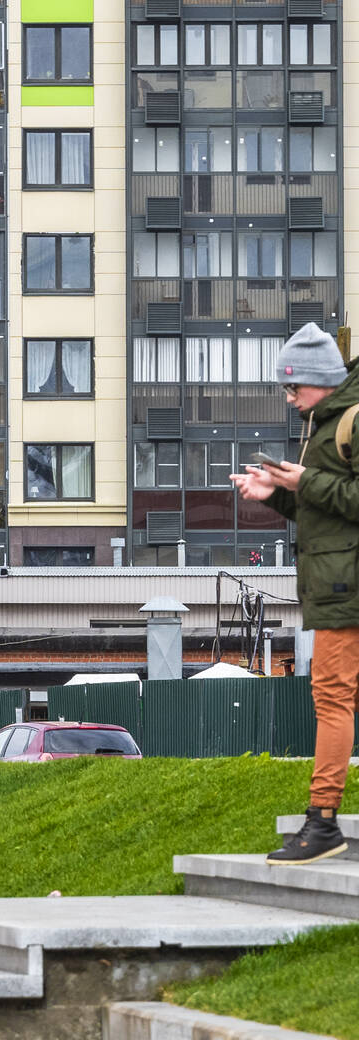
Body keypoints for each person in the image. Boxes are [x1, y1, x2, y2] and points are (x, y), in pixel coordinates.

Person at [231, 322, 359, 864]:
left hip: (344, 587)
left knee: (331, 699)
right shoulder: (324, 422)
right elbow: (332, 511)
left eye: (293, 387)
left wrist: (302, 482)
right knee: (335, 698)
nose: (289, 398)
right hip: (335, 580)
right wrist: (276, 495)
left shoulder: (348, 421)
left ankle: (322, 820)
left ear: (321, 381)